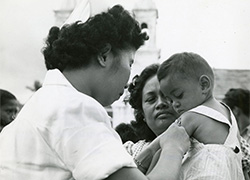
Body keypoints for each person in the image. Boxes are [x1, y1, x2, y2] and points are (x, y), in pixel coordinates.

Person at [0, 5, 190, 180]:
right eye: (130, 62)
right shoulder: (74, 107)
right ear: (104, 55)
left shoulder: (46, 102)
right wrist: (174, 146)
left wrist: (154, 148)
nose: (129, 78)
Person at [125, 63, 250, 179]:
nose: (161, 104)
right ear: (142, 113)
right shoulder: (129, 151)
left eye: (168, 96)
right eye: (151, 99)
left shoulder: (225, 141)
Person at [157, 52, 244, 179]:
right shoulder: (229, 115)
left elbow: (158, 147)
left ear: (204, 85)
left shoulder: (191, 117)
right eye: (170, 100)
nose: (175, 104)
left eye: (178, 95)